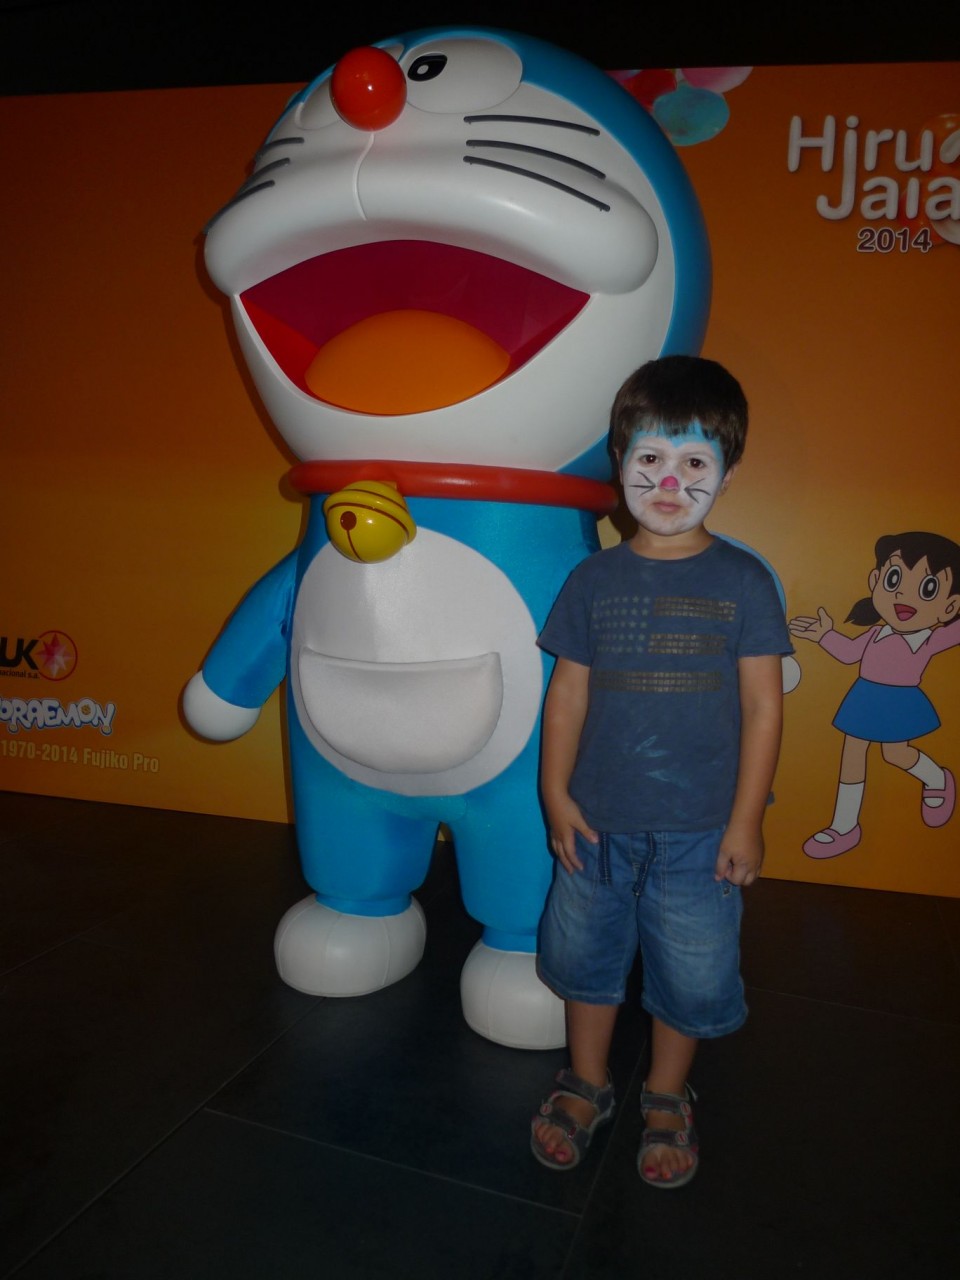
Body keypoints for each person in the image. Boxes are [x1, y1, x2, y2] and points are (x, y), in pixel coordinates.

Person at [530, 354, 791, 1187]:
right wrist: (553, 792)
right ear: (619, 460)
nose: (669, 481)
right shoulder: (592, 579)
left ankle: (669, 1093)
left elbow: (764, 709)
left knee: (691, 974)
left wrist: (746, 821)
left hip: (700, 835)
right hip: (594, 827)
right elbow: (566, 696)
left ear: (727, 471)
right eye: (650, 456)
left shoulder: (745, 580)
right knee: (585, 962)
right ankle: (587, 1081)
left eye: (693, 462)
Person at [789, 531, 960, 858]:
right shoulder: (875, 633)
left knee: (895, 754)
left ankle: (937, 779)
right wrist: (824, 635)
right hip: (865, 697)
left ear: (950, 606)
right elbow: (849, 654)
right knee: (852, 754)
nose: (904, 596)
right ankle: (844, 826)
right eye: (894, 579)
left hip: (901, 702)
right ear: (876, 580)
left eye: (928, 588)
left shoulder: (929, 639)